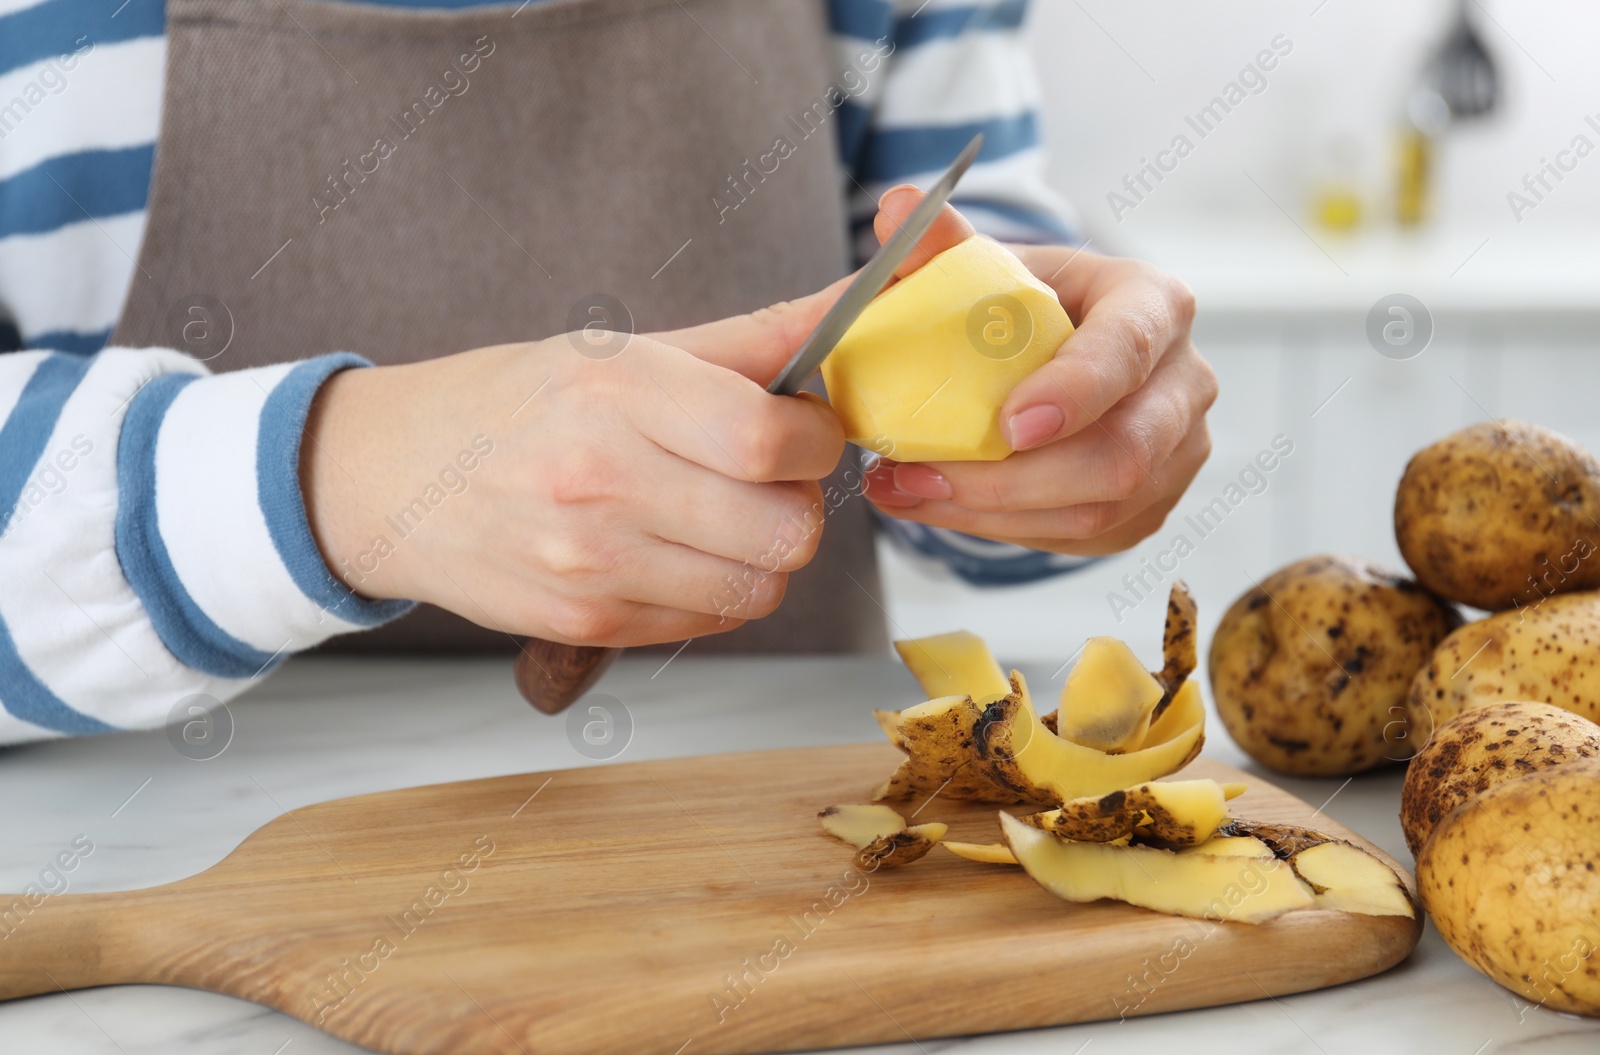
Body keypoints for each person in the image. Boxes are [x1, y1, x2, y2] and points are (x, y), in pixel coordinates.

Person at [0, 0, 1215, 745]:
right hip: (151, 855)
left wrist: (1065, 426)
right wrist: (333, 480)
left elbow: (958, 256)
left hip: (753, 833)